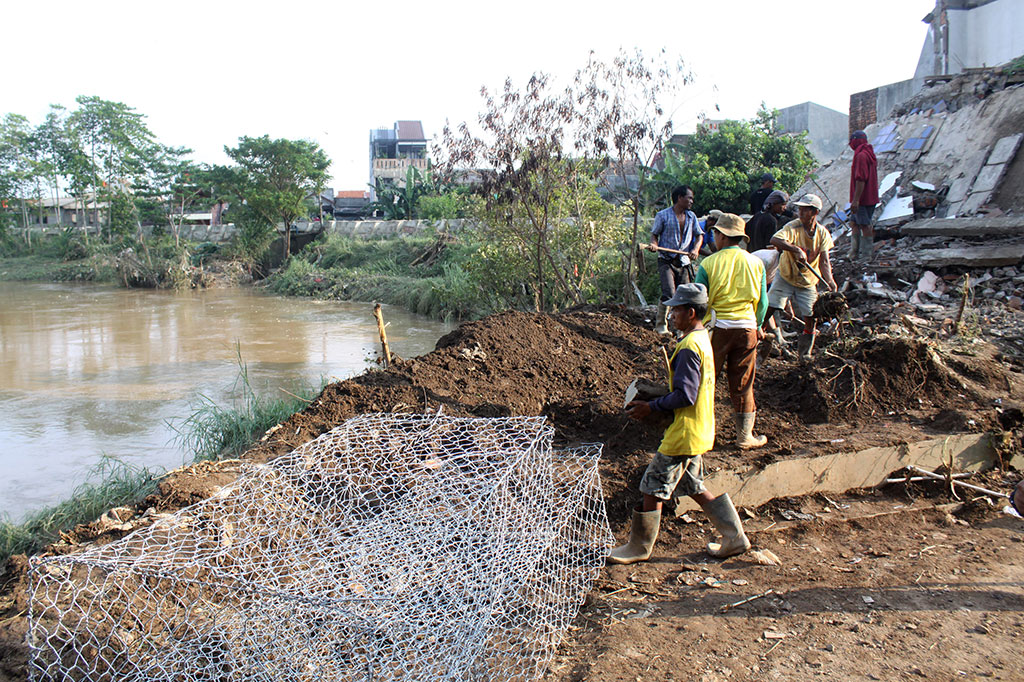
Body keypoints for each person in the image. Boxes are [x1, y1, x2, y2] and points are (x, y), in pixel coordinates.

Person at [609, 283, 751, 564]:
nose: (671, 314)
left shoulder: (688, 347)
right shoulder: (702, 339)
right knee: (693, 485)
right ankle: (734, 537)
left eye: (675, 310)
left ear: (690, 312)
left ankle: (639, 548)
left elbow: (686, 395)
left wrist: (650, 406)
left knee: (652, 485)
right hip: (699, 428)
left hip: (683, 433)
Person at [695, 214, 769, 449]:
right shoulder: (756, 263)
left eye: (715, 233)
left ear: (722, 236)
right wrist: (757, 326)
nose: (713, 237)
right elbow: (764, 302)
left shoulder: (709, 264)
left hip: (717, 330)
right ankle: (745, 436)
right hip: (747, 329)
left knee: (706, 381)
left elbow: (699, 300)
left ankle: (701, 433)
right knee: (743, 383)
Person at [764, 194, 838, 361]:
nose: (800, 213)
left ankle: (805, 355)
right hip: (786, 276)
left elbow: (825, 261)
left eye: (805, 210)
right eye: (800, 209)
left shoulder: (822, 234)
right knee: (770, 308)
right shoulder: (793, 227)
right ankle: (755, 339)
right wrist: (795, 250)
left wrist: (831, 282)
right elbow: (774, 239)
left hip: (807, 281)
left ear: (815, 212)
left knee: (811, 316)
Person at [649, 186, 703, 334]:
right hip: (666, 260)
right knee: (669, 293)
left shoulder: (691, 217)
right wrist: (654, 245)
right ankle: (661, 325)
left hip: (684, 261)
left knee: (684, 295)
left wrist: (695, 250)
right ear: (680, 198)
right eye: (689, 198)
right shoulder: (663, 215)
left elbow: (699, 236)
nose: (691, 201)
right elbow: (654, 235)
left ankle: (682, 328)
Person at [849, 130, 879, 262]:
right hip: (870, 197)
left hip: (863, 198)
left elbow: (860, 179)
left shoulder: (861, 156)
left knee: (864, 225)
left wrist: (856, 201)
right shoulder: (869, 153)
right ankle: (854, 252)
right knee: (854, 222)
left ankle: (866, 255)